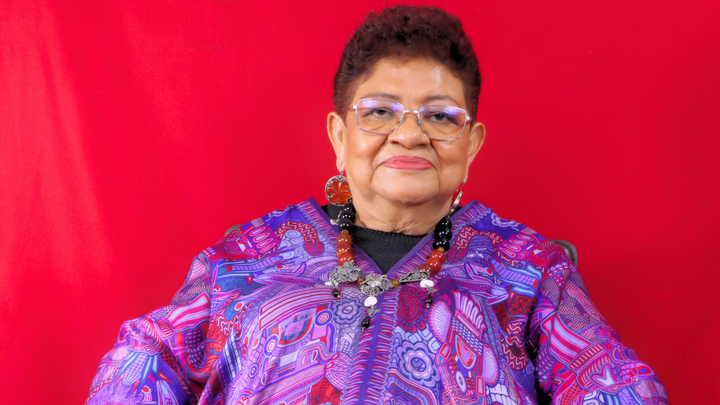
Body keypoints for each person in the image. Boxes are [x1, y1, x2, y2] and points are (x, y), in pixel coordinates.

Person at [86, 5, 667, 405]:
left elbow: (613, 384)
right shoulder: (244, 262)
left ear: (471, 144)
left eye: (440, 116)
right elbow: (144, 359)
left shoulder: (530, 271)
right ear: (340, 136)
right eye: (380, 111)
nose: (410, 135)